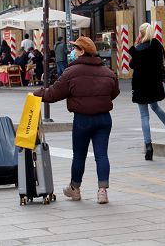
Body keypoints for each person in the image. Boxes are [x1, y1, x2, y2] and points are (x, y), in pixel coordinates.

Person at [33, 36, 120, 204]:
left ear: (82, 52)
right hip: (104, 119)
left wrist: (38, 93)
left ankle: (75, 189)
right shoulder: (108, 72)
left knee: (79, 155)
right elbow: (114, 92)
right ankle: (102, 191)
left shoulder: (71, 72)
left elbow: (53, 94)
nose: (72, 51)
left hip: (83, 119)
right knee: (102, 155)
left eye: (75, 48)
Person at [129, 23, 165, 161]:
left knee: (144, 116)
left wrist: (136, 44)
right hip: (154, 84)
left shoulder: (138, 49)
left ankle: (148, 145)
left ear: (140, 34)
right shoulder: (157, 45)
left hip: (140, 85)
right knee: (155, 106)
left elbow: (132, 65)